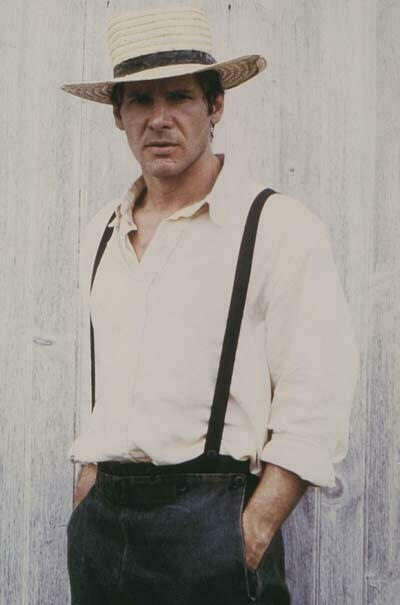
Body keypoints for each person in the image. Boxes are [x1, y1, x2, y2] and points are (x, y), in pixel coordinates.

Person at [61, 6, 359, 605]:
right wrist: (88, 489)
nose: (159, 119)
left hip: (215, 529)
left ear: (215, 105)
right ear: (118, 115)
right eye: (140, 101)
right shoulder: (102, 233)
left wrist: (252, 531)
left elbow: (317, 399)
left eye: (179, 97)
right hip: (104, 531)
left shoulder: (276, 227)